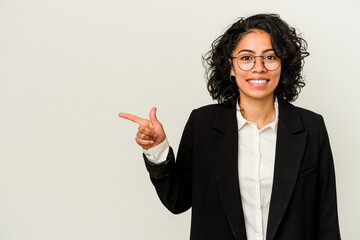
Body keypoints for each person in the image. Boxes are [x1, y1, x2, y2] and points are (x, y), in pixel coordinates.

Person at [119, 13, 341, 240]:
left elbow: (326, 219)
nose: (259, 67)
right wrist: (158, 149)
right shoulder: (203, 124)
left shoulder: (311, 127)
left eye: (270, 57)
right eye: (246, 58)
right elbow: (178, 200)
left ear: (283, 64)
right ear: (231, 67)